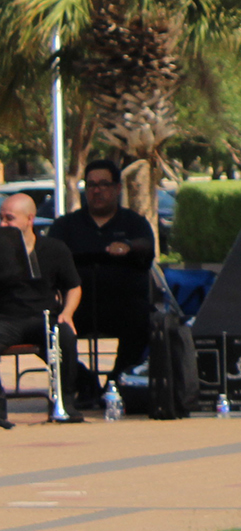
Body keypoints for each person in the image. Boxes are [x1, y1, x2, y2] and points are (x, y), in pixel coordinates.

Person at [49, 160, 155, 378]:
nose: (97, 190)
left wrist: (128, 246)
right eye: (91, 185)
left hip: (123, 306)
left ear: (117, 188)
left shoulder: (134, 222)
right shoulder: (65, 225)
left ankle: (118, 381)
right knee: (46, 328)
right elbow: (49, 259)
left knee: (144, 320)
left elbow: (146, 245)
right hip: (77, 308)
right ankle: (82, 381)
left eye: (104, 184)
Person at [0, 192, 93, 425]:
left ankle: (65, 402)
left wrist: (67, 314)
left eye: (9, 219)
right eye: (1, 218)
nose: (3, 224)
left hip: (44, 318)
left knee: (65, 336)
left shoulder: (54, 249)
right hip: (7, 319)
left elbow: (74, 287)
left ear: (29, 219)